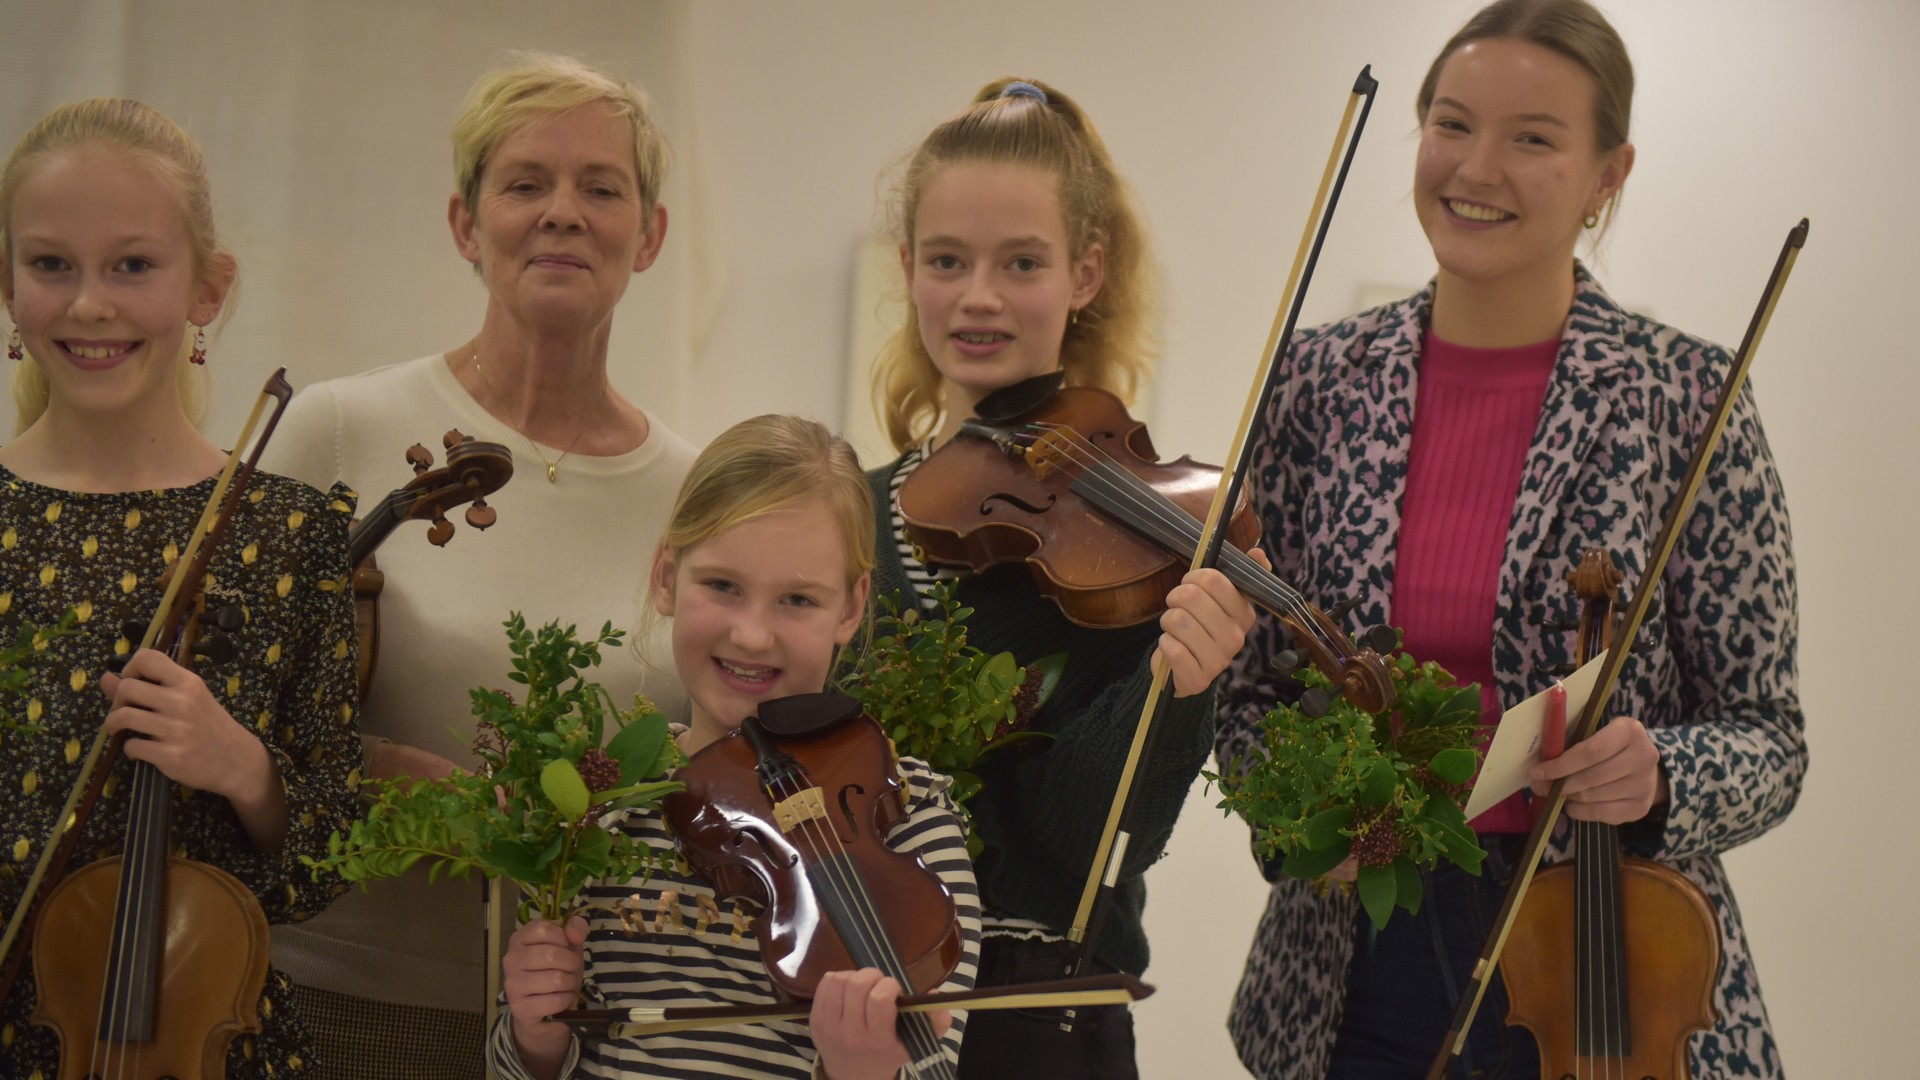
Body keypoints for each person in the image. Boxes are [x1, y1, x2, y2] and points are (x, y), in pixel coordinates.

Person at [1212, 2, 1805, 1077]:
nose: (1476, 167)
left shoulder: (1685, 393)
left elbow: (1771, 739)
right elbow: (1248, 699)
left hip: (1607, 959)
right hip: (1354, 962)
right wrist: (1305, 822)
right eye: (1450, 124)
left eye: (1533, 137)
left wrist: (1661, 772)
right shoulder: (1314, 380)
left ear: (1607, 174)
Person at [260, 54, 698, 1076]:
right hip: (339, 1000)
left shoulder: (698, 491)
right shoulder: (336, 429)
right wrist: (387, 770)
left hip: (593, 1026)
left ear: (651, 235)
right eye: (524, 183)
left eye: (602, 188)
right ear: (466, 223)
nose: (564, 213)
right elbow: (239, 703)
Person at [867, 77, 1261, 1079]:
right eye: (948, 260)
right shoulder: (852, 512)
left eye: (1022, 262)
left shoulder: (1138, 545)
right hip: (866, 1012)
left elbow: (1089, 838)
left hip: (1043, 1022)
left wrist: (1178, 679)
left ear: (1086, 273)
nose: (979, 296)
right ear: (909, 268)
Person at [0, 97, 359, 1076]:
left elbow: (328, 855)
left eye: (132, 264)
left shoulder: (288, 534)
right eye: (50, 264)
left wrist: (244, 766)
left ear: (208, 288)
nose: (89, 304)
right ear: (7, 283)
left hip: (203, 1044)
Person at [491, 413, 980, 1080]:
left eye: (798, 600)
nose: (752, 635)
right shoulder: (596, 806)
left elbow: (935, 1069)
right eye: (723, 586)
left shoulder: (910, 811)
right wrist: (534, 1033)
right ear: (667, 576)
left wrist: (860, 1071)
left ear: (851, 606)